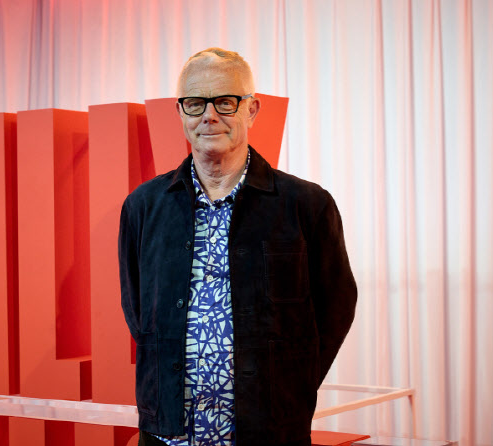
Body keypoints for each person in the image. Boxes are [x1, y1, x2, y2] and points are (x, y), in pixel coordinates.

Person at [118, 47, 357, 446]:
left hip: (271, 433)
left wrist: (291, 384)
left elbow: (336, 308)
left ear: (252, 109)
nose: (209, 115)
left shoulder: (306, 205)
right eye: (195, 103)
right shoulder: (143, 207)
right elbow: (138, 310)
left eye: (225, 102)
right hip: (168, 435)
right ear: (180, 112)